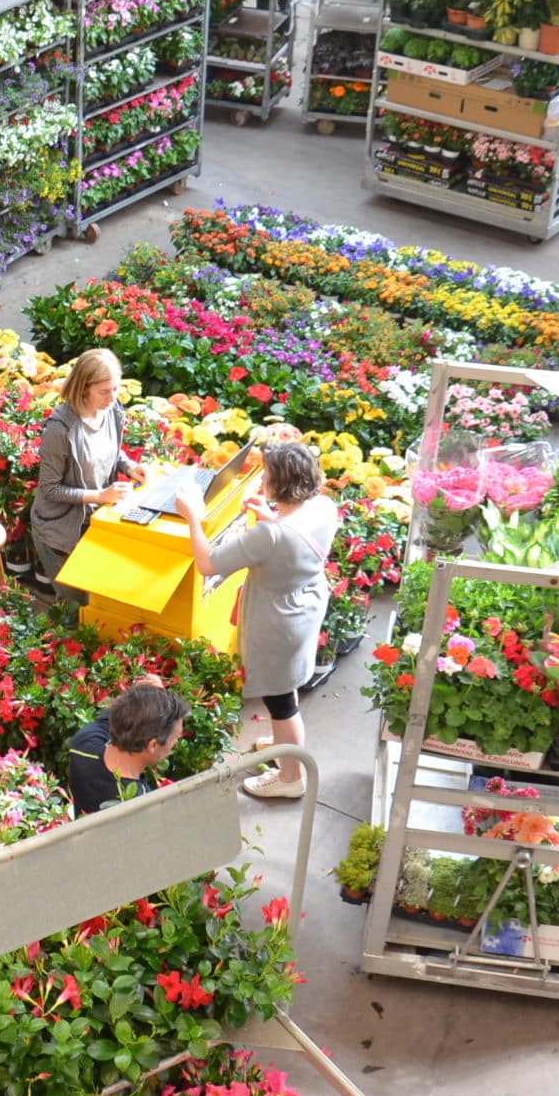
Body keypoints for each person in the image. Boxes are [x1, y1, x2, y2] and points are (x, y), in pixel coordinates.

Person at [176, 440, 338, 799]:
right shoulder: (324, 507)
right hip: (305, 605)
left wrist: (191, 514)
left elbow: (208, 563)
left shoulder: (271, 534)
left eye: (266, 475)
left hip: (278, 621)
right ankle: (283, 741)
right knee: (288, 683)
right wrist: (269, 513)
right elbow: (295, 539)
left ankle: (290, 777)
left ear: (277, 483)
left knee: (281, 702)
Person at [31, 348, 145, 600]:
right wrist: (100, 495)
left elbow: (110, 452)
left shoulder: (113, 411)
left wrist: (129, 466)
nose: (112, 397)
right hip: (60, 534)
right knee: (77, 607)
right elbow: (50, 489)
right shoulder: (60, 430)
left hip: (96, 523)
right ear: (83, 388)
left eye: (116, 388)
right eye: (104, 392)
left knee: (99, 605)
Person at [66, 677, 189, 816]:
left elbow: (115, 718)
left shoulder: (82, 747)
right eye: (175, 738)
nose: (176, 742)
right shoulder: (140, 804)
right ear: (153, 745)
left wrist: (148, 699)